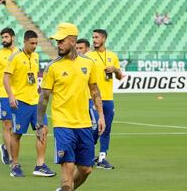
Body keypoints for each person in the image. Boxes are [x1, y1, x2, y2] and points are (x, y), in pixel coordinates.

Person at [37, 22, 105, 191]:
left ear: (73, 41)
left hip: (84, 124)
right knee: (67, 174)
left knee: (86, 169)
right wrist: (40, 123)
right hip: (63, 125)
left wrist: (101, 115)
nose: (58, 44)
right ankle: (66, 187)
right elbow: (44, 97)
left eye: (61, 41)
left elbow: (95, 91)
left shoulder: (89, 64)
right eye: (57, 41)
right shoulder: (52, 67)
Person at [4, 30, 56, 177]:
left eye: (36, 43)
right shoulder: (15, 57)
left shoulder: (36, 56)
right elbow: (6, 79)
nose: (34, 46)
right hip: (20, 102)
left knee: (43, 130)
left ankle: (40, 165)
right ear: (25, 41)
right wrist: (11, 96)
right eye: (32, 43)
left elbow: (33, 77)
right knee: (17, 134)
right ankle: (15, 165)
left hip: (36, 102)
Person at [86, 29, 123, 169]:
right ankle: (87, 154)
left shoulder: (112, 56)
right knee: (95, 127)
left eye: (97, 37)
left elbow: (120, 77)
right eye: (93, 37)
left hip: (108, 98)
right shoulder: (88, 56)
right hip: (93, 98)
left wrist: (115, 70)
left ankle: (102, 157)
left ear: (104, 39)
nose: (94, 40)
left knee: (106, 129)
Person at [0, 28, 18, 165]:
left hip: (19, 95)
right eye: (2, 37)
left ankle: (6, 147)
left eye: (6, 37)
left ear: (13, 37)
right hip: (3, 95)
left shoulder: (19, 53)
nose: (4, 40)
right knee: (7, 124)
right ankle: (12, 157)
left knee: (16, 127)